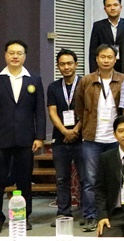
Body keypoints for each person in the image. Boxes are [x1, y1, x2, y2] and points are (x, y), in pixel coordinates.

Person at [0, 40, 45, 234]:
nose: (15, 56)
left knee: (25, 180)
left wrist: (40, 136)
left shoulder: (34, 79)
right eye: (11, 53)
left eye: (19, 53)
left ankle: (23, 216)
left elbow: (39, 112)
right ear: (5, 55)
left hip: (26, 140)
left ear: (25, 56)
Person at [74, 44, 124, 232]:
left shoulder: (123, 80)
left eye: (110, 57)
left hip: (116, 139)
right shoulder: (86, 81)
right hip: (92, 138)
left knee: (117, 178)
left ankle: (113, 213)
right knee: (90, 180)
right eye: (102, 57)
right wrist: (86, 124)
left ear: (115, 59)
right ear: (96, 59)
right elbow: (79, 107)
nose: (106, 60)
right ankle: (90, 216)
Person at [48, 50, 83, 227]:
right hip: (60, 139)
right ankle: (63, 213)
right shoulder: (54, 87)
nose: (66, 67)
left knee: (85, 177)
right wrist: (65, 132)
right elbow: (52, 112)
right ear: (58, 66)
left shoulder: (84, 83)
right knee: (62, 178)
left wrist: (75, 130)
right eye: (62, 64)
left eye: (70, 63)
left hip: (82, 138)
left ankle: (87, 212)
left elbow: (88, 110)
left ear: (76, 64)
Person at [89, 0, 124, 73]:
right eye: (109, 5)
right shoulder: (98, 26)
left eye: (115, 5)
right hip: (105, 66)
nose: (112, 8)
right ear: (105, 9)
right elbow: (93, 51)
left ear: (120, 7)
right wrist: (94, 72)